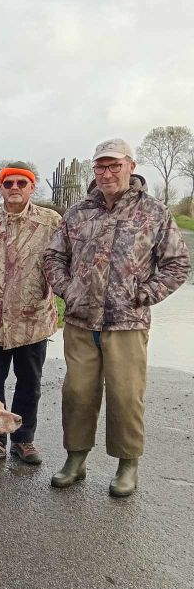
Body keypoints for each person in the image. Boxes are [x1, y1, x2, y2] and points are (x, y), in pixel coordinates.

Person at [43, 138, 190, 497]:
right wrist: (69, 290)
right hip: (81, 322)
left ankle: (128, 466)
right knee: (77, 392)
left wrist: (144, 295)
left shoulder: (154, 213)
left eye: (115, 165)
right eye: (100, 167)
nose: (107, 173)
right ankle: (75, 460)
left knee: (126, 396)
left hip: (127, 323)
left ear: (131, 166)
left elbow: (178, 264)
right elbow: (52, 256)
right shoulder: (78, 212)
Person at [0, 161, 61, 466]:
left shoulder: (51, 223)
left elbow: (62, 263)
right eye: (9, 183)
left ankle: (24, 440)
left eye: (22, 183)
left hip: (32, 322)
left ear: (32, 187)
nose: (15, 188)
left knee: (29, 384)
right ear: (1, 187)